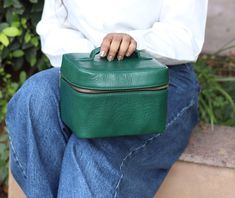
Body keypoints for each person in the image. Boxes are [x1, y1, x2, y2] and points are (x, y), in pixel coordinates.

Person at [6, 0, 208, 197]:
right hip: (85, 65)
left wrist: (132, 42)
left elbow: (185, 35)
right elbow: (54, 26)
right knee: (35, 97)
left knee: (92, 148)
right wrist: (100, 59)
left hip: (159, 77)